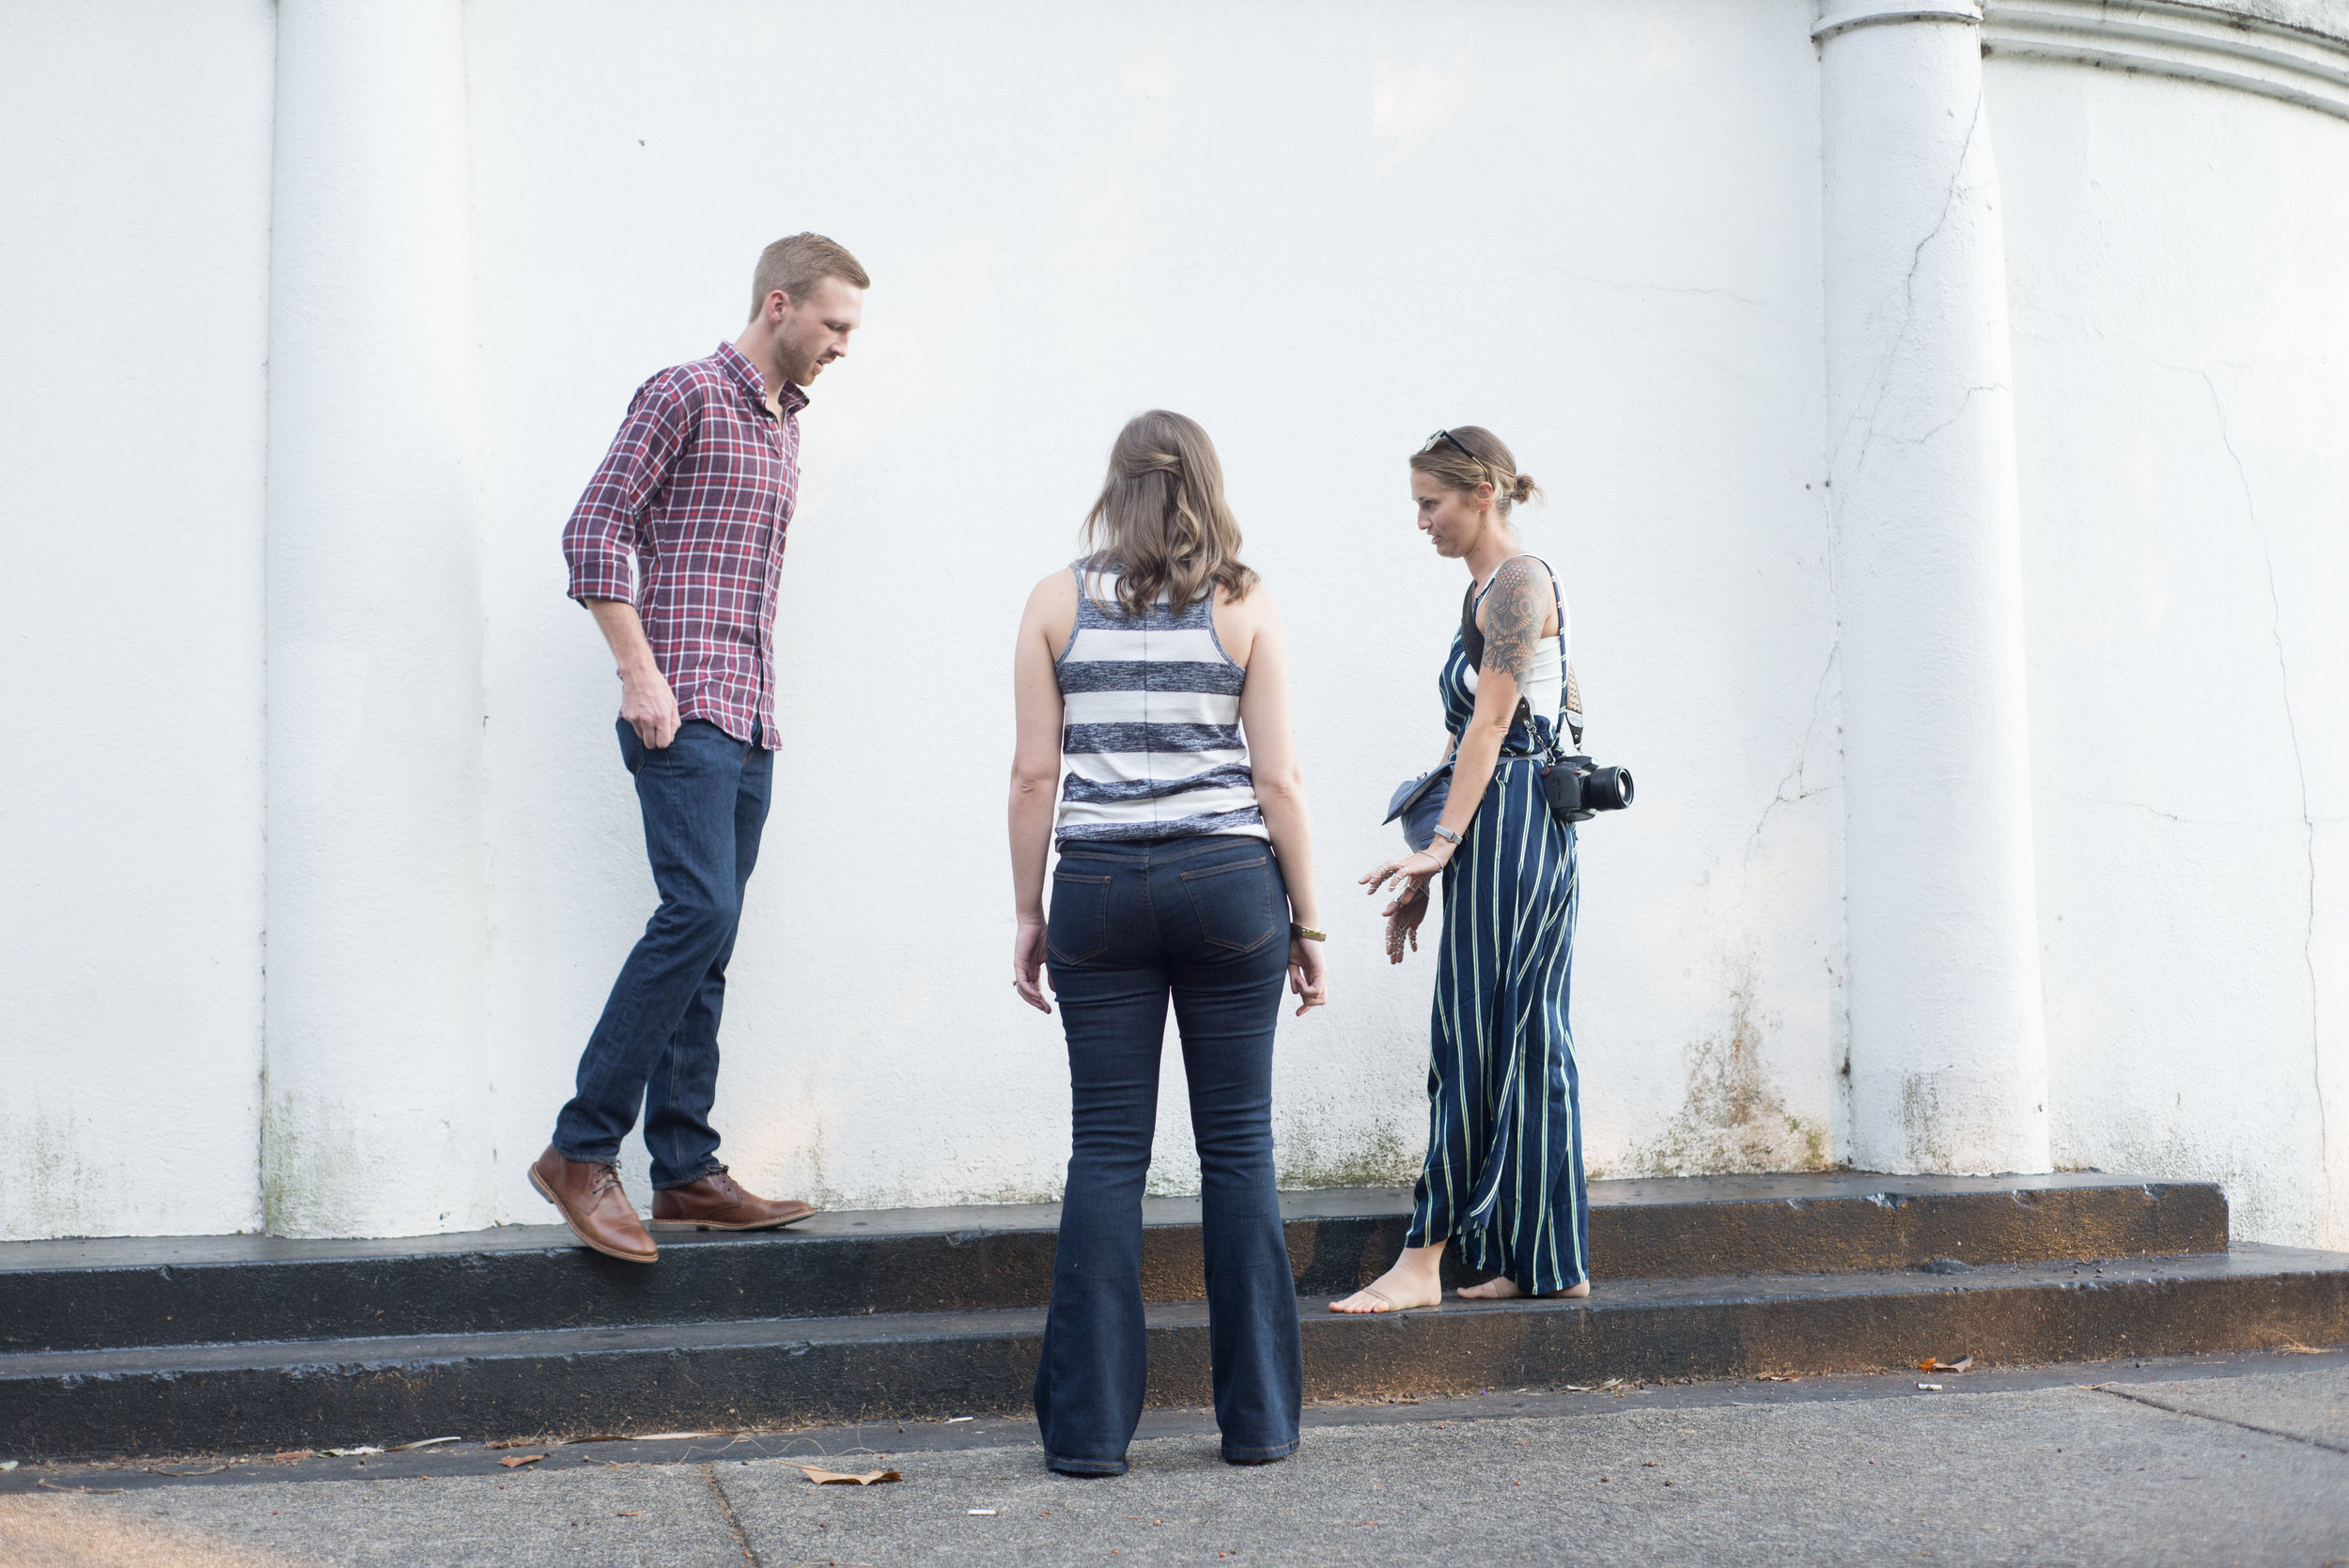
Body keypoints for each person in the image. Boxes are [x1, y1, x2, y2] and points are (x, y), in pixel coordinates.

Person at [534, 233, 868, 1264]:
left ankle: (684, 1168)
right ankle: (581, 1150)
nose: (844, 347)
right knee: (698, 911)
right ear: (780, 304)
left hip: (751, 714)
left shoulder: (784, 425)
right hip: (683, 711)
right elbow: (594, 529)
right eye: (835, 325)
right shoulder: (683, 392)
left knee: (711, 942)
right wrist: (640, 673)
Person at [1008, 411, 1329, 1475]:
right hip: (1228, 885)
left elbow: (1032, 777)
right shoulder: (1241, 599)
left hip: (1097, 888)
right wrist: (1308, 917)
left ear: (1117, 486)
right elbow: (1279, 779)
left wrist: (1028, 911)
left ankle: (1092, 1436)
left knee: (1105, 1152)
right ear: (1204, 483)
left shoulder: (1056, 601)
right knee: (1238, 1150)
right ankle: (1260, 1424)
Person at [1336, 427, 1591, 1312]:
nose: (1420, 521)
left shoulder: (1520, 580)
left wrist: (1442, 844)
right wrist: (1431, 867)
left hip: (1515, 821)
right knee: (1521, 1040)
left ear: (1481, 492)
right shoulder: (1482, 590)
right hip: (1499, 825)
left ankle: (1422, 1261)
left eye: (1430, 503)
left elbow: (1490, 730)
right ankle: (1547, 1260)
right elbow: (1460, 742)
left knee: (1477, 1042)